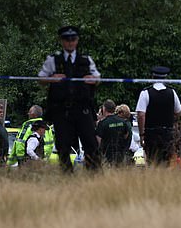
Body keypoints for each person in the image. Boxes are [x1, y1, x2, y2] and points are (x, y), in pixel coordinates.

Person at [39, 25, 101, 172]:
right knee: (62, 145)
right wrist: (51, 79)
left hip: (82, 108)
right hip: (62, 109)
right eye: (67, 39)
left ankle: (95, 175)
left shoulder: (86, 60)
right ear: (62, 41)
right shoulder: (53, 60)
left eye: (73, 39)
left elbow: (98, 78)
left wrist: (93, 79)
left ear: (77, 40)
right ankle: (67, 175)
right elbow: (40, 79)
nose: (70, 42)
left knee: (90, 143)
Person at [136, 66, 181, 166]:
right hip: (167, 134)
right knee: (166, 163)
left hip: (151, 134)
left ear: (152, 77)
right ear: (165, 78)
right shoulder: (172, 92)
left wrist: (141, 134)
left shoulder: (145, 93)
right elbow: (178, 111)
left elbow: (141, 115)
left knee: (152, 162)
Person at [96, 99, 132, 166]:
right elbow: (126, 136)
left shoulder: (102, 123)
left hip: (107, 156)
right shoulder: (123, 122)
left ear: (104, 109)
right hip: (121, 155)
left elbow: (98, 141)